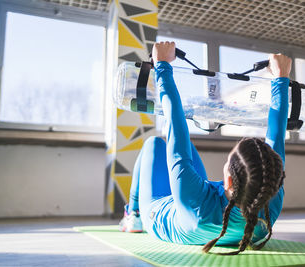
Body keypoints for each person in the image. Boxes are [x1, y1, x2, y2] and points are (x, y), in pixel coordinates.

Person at [119, 41, 291, 255]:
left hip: (158, 215)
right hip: (192, 204)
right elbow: (276, 139)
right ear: (274, 180)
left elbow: (175, 122)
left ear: (229, 179)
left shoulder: (195, 200)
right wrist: (280, 79)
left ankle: (134, 214)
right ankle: (134, 213)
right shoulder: (269, 204)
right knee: (185, 150)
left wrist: (162, 65)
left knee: (154, 144)